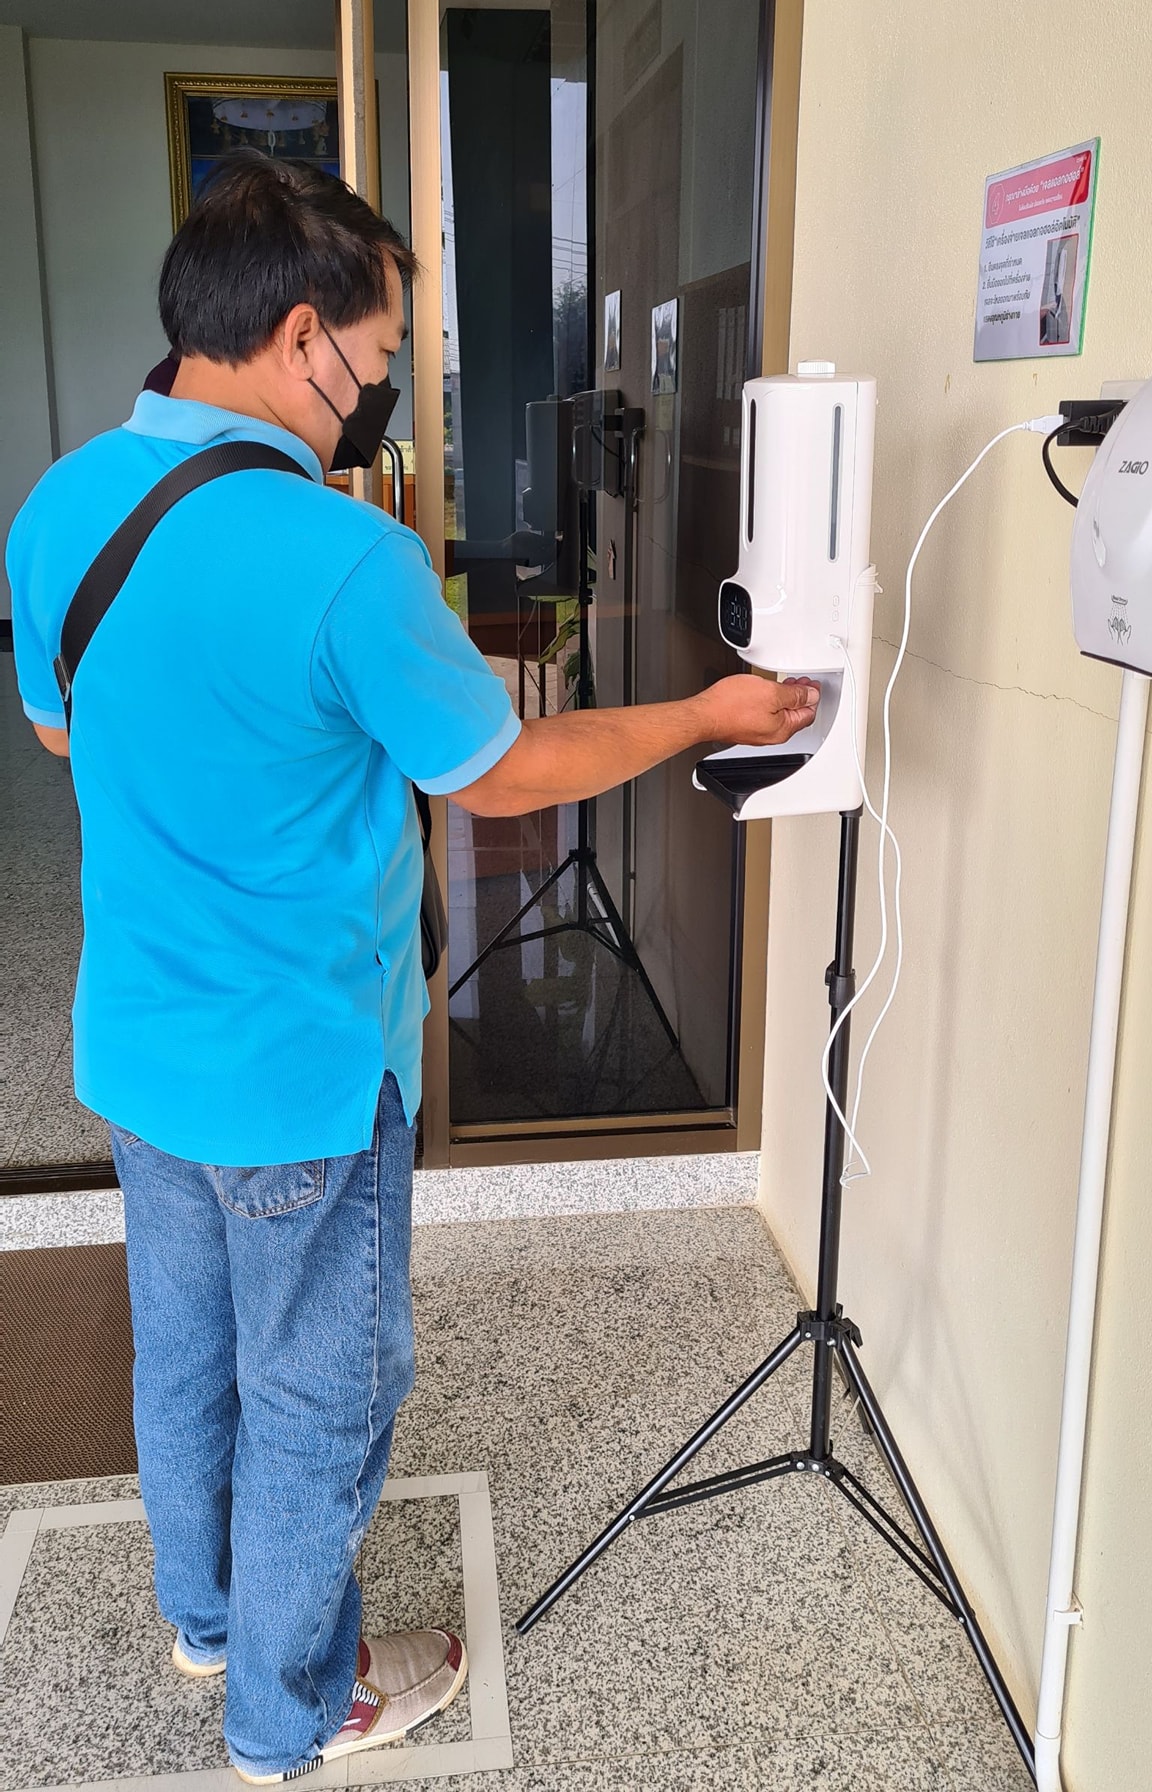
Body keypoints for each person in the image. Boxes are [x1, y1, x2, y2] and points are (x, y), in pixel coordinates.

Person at [5, 153, 819, 1784]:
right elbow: (501, 773)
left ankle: (208, 1619)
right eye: (378, 360)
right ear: (302, 338)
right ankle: (290, 1714)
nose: (377, 393)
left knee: (186, 1353)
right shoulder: (341, 558)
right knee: (322, 1394)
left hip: (139, 1051)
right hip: (301, 1072)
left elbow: (59, 728)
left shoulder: (60, 502)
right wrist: (703, 715)